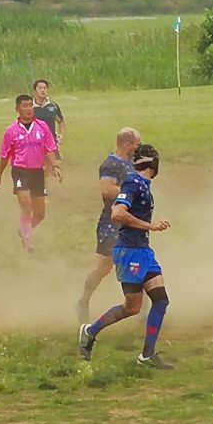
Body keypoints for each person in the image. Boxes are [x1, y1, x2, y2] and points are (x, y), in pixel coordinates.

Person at [79, 145, 173, 369]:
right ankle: (89, 331)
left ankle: (147, 356)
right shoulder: (133, 183)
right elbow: (118, 212)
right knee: (132, 308)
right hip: (129, 252)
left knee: (160, 300)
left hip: (142, 250)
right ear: (153, 164)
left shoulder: (142, 185)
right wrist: (150, 225)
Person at [75, 127, 141, 323]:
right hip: (112, 224)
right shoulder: (111, 165)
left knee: (138, 262)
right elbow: (106, 190)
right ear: (127, 145)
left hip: (129, 223)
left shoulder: (130, 164)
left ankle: (142, 309)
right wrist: (131, 192)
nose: (139, 149)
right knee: (104, 267)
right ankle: (83, 302)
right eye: (137, 145)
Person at [0, 94, 61, 253]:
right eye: (24, 106)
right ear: (17, 109)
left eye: (30, 105)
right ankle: (28, 241)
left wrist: (55, 166)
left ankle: (24, 230)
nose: (28, 109)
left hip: (38, 172)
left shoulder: (42, 127)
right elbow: (4, 156)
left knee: (40, 214)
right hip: (20, 171)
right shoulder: (11, 131)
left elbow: (50, 149)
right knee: (26, 204)